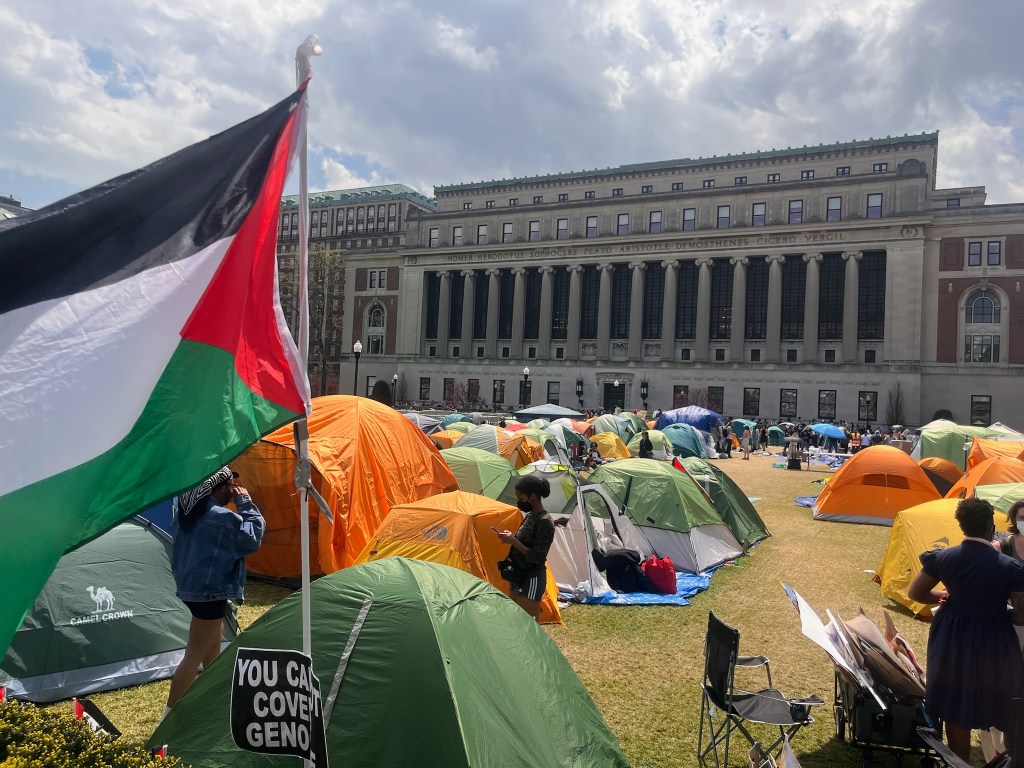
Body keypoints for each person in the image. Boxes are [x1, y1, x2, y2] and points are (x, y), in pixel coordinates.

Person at [907, 498, 1024, 761]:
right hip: (995, 637)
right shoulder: (1010, 567)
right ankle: (1006, 761)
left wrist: (944, 595)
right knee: (1003, 697)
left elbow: (916, 592)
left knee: (953, 698)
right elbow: (1020, 616)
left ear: (962, 526)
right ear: (990, 526)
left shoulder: (943, 557)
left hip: (952, 635)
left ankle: (960, 761)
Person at [163, 466, 265, 718]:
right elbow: (253, 536)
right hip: (210, 592)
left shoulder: (186, 512)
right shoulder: (219, 517)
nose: (234, 490)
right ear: (218, 489)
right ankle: (167, 718)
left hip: (193, 589)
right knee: (194, 655)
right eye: (230, 486)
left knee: (211, 649)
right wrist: (245, 501)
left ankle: (214, 705)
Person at [495, 475, 555, 621]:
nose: (519, 502)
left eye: (521, 498)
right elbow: (523, 542)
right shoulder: (530, 516)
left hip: (531, 577)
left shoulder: (544, 521)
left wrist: (513, 541)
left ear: (533, 497)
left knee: (529, 625)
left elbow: (538, 557)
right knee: (516, 623)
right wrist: (510, 538)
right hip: (518, 576)